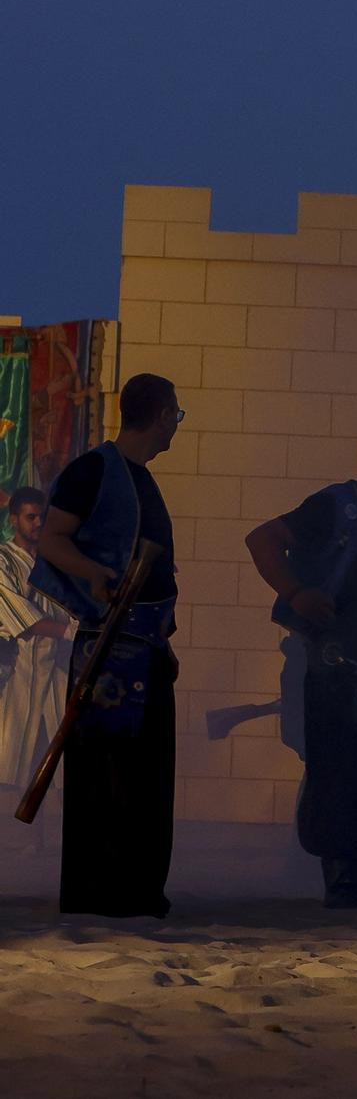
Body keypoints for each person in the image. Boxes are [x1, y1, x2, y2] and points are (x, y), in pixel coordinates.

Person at [245, 423, 357, 909]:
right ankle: (343, 883)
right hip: (337, 671)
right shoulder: (337, 507)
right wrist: (296, 593)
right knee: (341, 772)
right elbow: (262, 539)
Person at [31, 373, 182, 917]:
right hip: (108, 651)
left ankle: (138, 890)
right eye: (177, 415)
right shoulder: (95, 469)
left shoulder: (142, 478)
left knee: (147, 774)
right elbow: (51, 539)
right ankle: (100, 893)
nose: (176, 426)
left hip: (148, 646)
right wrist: (95, 574)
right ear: (162, 414)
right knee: (108, 774)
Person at [0, 487, 74, 795]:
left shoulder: (53, 558)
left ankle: (41, 841)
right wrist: (67, 631)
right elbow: (20, 614)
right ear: (14, 519)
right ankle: (16, 841)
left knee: (54, 755)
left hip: (58, 668)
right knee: (15, 755)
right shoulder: (4, 560)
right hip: (18, 669)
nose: (38, 523)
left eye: (42, 516)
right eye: (31, 517)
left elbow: (69, 602)